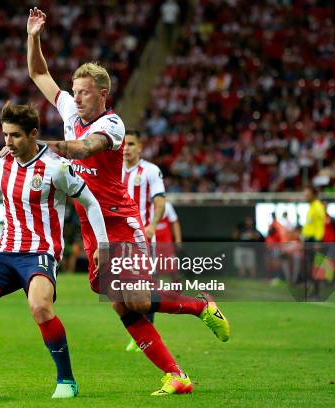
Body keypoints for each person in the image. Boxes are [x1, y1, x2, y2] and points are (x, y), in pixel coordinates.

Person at [26, 7, 230, 396]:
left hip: (121, 222)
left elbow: (86, 150)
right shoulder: (69, 109)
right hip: (90, 225)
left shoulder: (113, 124)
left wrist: (41, 147)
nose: (77, 97)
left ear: (103, 94)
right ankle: (177, 376)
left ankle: (201, 305)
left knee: (134, 299)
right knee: (122, 307)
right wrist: (34, 36)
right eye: (76, 90)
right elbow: (38, 74)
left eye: (85, 92)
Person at [0, 103, 109, 399]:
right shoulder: (3, 159)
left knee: (39, 307)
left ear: (34, 134)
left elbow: (90, 201)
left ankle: (66, 380)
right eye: (5, 135)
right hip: (8, 250)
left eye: (15, 136)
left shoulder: (56, 168)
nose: (8, 143)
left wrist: (102, 243)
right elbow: (2, 179)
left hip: (41, 252)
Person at [122, 130, 165, 351]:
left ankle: (146, 334)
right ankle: (139, 333)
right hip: (119, 238)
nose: (126, 148)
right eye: (124, 144)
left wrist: (152, 225)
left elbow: (159, 202)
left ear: (140, 147)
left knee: (144, 286)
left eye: (131, 144)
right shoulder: (115, 170)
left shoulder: (150, 171)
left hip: (143, 238)